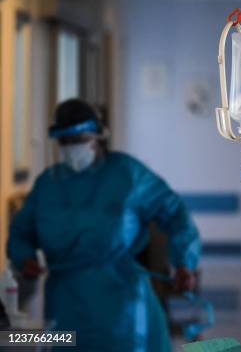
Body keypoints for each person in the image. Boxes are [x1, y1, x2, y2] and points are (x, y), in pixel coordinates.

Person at [7, 99, 201, 351]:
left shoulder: (128, 175)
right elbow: (21, 231)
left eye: (78, 140)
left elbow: (175, 213)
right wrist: (25, 258)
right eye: (64, 142)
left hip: (121, 299)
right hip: (65, 301)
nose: (71, 148)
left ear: (97, 137)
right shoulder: (48, 184)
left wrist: (184, 262)